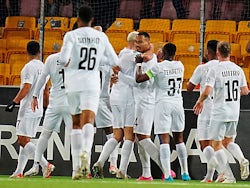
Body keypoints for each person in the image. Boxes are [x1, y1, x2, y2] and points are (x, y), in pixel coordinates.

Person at [58, 5, 118, 180]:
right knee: (88, 122)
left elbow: (62, 60)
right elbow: (114, 60)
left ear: (78, 19)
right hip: (92, 83)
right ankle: (85, 152)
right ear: (93, 20)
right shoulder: (100, 36)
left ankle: (76, 167)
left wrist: (68, 62)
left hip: (73, 83)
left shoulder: (71, 35)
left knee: (76, 123)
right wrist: (99, 58)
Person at [193, 41, 249, 183]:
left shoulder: (215, 69)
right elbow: (245, 91)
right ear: (230, 52)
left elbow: (207, 90)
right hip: (234, 111)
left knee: (216, 144)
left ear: (218, 53)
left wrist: (200, 101)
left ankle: (229, 176)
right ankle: (242, 159)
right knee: (228, 141)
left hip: (220, 111)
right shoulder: (238, 69)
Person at [135, 42, 190, 182]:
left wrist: (139, 64)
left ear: (164, 53)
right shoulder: (180, 65)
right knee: (179, 139)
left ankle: (166, 174)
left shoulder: (158, 67)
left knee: (164, 140)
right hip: (178, 103)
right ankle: (185, 173)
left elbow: (139, 79)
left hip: (163, 104)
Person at [92, 31, 139, 179]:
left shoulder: (121, 54)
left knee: (117, 135)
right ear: (135, 42)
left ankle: (99, 163)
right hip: (127, 98)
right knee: (129, 136)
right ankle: (122, 171)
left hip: (116, 97)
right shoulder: (132, 56)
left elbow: (117, 71)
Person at [5, 41, 52, 178]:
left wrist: (14, 102)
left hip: (28, 107)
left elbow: (27, 87)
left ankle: (45, 164)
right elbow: (46, 91)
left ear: (27, 51)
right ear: (39, 51)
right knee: (25, 140)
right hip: (38, 109)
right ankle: (19, 171)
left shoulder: (28, 67)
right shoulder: (44, 67)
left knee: (22, 139)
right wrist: (45, 107)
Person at [22, 51, 72, 178]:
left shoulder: (51, 58)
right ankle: (79, 169)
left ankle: (36, 164)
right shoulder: (78, 59)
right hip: (71, 102)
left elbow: (42, 78)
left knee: (45, 134)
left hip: (55, 102)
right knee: (76, 135)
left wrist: (34, 95)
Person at [187, 40, 219, 182]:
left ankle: (219, 172)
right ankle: (211, 176)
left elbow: (189, 87)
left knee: (204, 143)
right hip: (221, 110)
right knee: (217, 144)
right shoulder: (226, 67)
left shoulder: (203, 68)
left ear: (207, 52)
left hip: (206, 108)